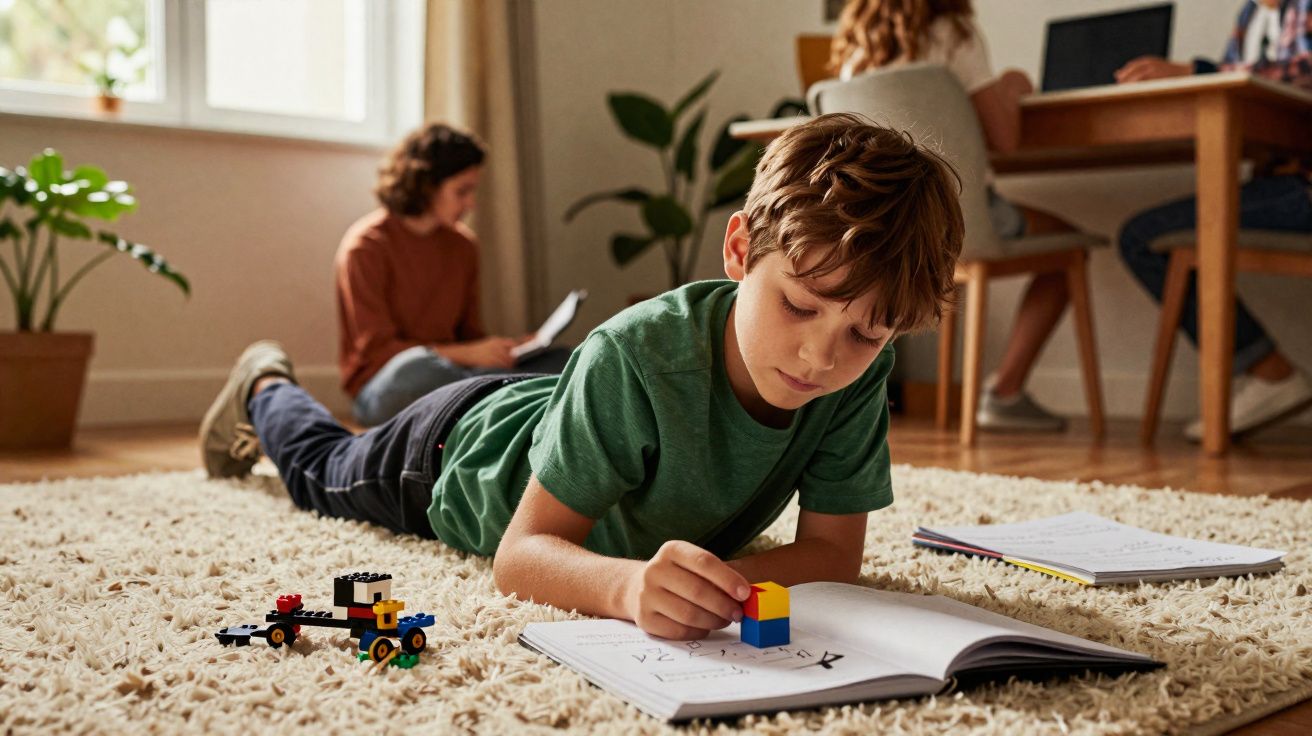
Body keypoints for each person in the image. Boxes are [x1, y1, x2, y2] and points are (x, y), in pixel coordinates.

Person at [197, 114, 964, 641]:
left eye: (866, 333)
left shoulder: (858, 379)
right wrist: (630, 590)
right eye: (799, 306)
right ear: (737, 252)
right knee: (317, 468)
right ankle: (265, 386)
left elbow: (834, 556)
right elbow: (521, 555)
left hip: (554, 408)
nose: (820, 359)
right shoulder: (637, 354)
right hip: (452, 455)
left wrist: (712, 585)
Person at [831, 0, 1080, 433]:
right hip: (951, 215)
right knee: (1071, 246)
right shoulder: (956, 34)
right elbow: (1007, 138)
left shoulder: (856, 55)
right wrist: (1011, 85)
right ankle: (1006, 392)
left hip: (883, 222)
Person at [1114, 0, 1312, 441]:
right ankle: (1267, 371)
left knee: (1142, 238)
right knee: (1139, 235)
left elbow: (1304, 73)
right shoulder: (1249, 16)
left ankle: (1269, 373)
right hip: (1278, 180)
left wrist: (1197, 71)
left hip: (1304, 186)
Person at [337, 122, 570, 427]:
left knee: (564, 361)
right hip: (387, 385)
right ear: (425, 185)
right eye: (462, 191)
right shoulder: (366, 247)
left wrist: (509, 349)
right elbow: (379, 353)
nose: (471, 203)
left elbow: (469, 336)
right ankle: (485, 397)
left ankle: (476, 398)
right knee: (418, 369)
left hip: (458, 375)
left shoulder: (463, 246)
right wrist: (467, 354)